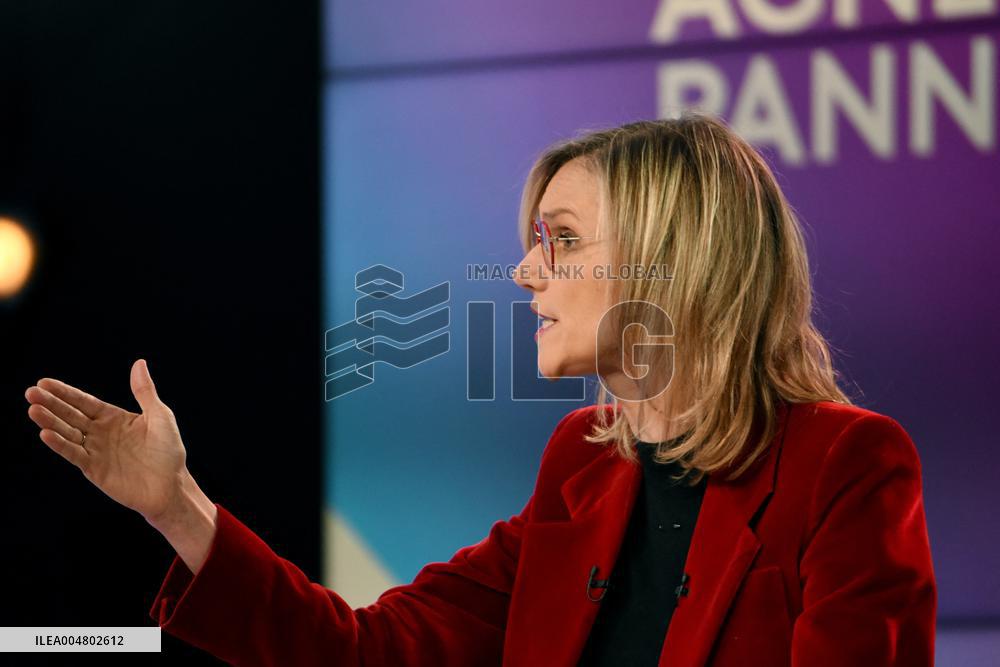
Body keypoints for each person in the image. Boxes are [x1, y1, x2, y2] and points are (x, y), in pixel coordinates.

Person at [23, 113, 936, 666]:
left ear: (676, 260)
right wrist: (177, 506)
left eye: (563, 240)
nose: (525, 272)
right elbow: (365, 652)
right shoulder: (579, 463)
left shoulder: (846, 463)